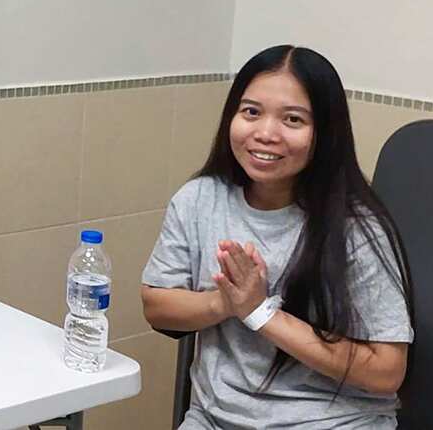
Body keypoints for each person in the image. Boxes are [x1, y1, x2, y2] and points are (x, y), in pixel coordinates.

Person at [142, 45, 414, 429]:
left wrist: (260, 312)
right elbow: (157, 306)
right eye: (251, 112)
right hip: (215, 420)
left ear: (325, 134)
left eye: (293, 119)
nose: (266, 134)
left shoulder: (356, 227)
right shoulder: (200, 198)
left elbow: (386, 372)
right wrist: (224, 302)